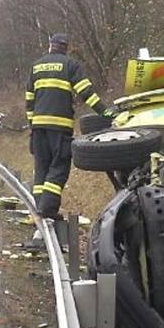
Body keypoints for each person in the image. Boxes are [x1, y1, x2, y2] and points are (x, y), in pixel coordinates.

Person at [25, 32, 112, 220]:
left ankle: (39, 211)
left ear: (50, 45)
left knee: (41, 168)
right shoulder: (71, 65)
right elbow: (85, 92)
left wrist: (32, 126)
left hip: (38, 127)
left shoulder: (36, 66)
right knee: (59, 167)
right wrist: (105, 112)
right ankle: (47, 209)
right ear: (66, 48)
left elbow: (29, 100)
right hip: (60, 127)